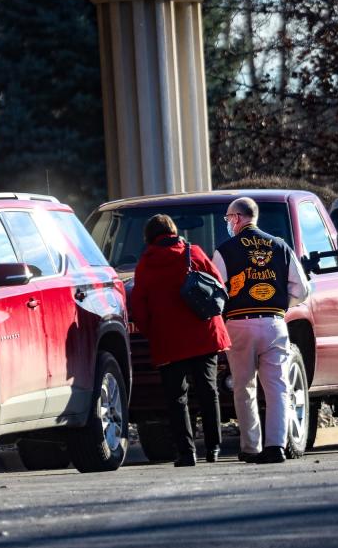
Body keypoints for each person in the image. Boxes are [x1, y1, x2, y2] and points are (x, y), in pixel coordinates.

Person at [213, 197, 310, 464]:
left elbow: (216, 290)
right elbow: (302, 290)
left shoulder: (225, 250)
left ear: (237, 218)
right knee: (278, 386)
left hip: (239, 323)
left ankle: (251, 446)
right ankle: (276, 445)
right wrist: (277, 303)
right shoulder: (280, 246)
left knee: (244, 386)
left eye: (228, 219)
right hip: (274, 323)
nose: (228, 224)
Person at [130, 214, 232, 467]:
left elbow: (138, 307)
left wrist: (153, 331)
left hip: (168, 339)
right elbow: (219, 283)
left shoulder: (145, 263)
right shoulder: (193, 252)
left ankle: (186, 453)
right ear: (174, 231)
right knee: (209, 391)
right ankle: (213, 448)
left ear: (149, 236)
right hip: (203, 333)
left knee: (177, 397)